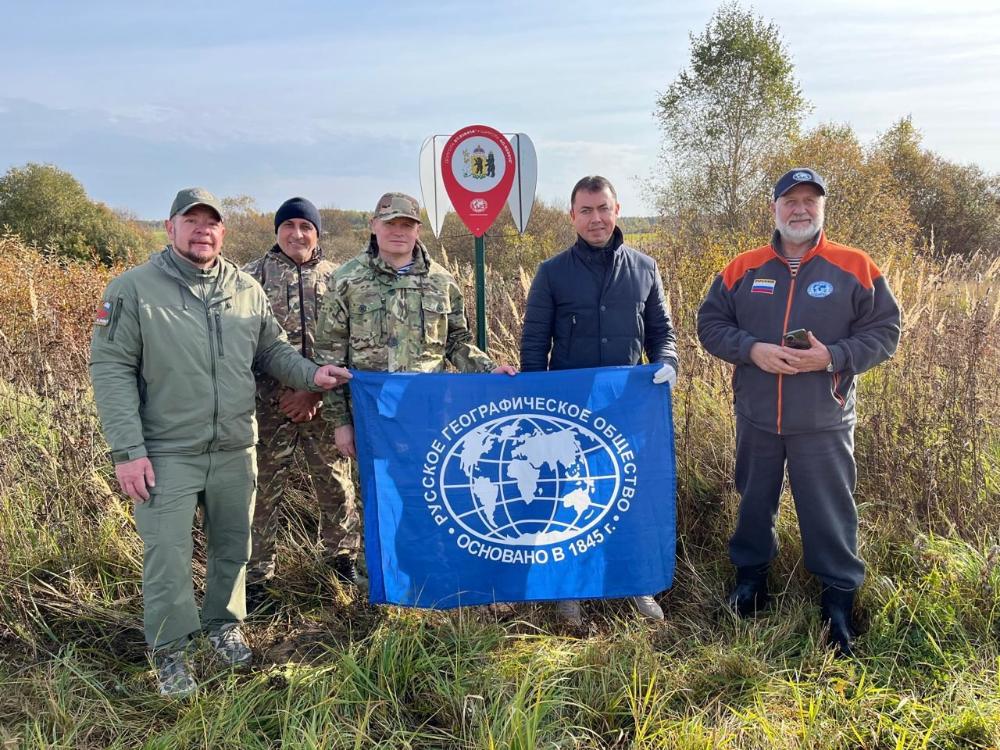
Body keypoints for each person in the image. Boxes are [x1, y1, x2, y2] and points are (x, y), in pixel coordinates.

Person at [89, 188, 351, 698]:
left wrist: (312, 375)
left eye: (210, 222)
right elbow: (111, 369)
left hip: (235, 445)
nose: (202, 230)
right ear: (170, 228)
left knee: (233, 547)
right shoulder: (133, 289)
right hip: (167, 450)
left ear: (222, 232)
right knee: (168, 555)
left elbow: (272, 350)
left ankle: (223, 626)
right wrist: (128, 451)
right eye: (191, 221)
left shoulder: (244, 288)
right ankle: (171, 651)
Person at [696, 167, 901, 656]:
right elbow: (710, 324)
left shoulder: (855, 266)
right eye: (790, 201)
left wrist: (832, 356)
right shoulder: (743, 268)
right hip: (757, 415)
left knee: (830, 510)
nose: (800, 209)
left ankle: (838, 600)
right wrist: (752, 350)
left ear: (822, 208)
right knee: (752, 502)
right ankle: (751, 582)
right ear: (775, 208)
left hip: (824, 418)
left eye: (810, 201)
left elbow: (885, 333)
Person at [519, 175, 679, 626]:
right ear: (572, 216)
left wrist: (668, 362)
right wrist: (535, 408)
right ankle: (569, 590)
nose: (596, 219)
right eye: (586, 211)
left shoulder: (644, 268)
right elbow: (534, 345)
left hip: (627, 411)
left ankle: (635, 583)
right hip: (567, 413)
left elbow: (662, 333)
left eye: (603, 208)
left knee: (627, 496)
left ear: (617, 210)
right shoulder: (552, 273)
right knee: (565, 499)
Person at [313, 190, 515, 471]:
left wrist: (489, 369)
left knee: (430, 489)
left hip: (429, 415)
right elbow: (330, 357)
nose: (398, 231)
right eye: (390, 223)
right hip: (371, 417)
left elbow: (457, 341)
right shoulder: (346, 280)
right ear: (373, 225)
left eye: (407, 225)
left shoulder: (442, 281)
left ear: (417, 230)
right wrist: (341, 422)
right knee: (377, 494)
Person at [242, 197, 361, 599]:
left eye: (305, 226)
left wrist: (313, 393)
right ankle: (257, 577)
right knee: (260, 490)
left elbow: (349, 344)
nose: (297, 234)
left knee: (336, 486)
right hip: (268, 407)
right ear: (277, 231)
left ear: (317, 233)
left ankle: (341, 562)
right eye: (288, 226)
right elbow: (246, 346)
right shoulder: (249, 279)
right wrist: (283, 393)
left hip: (326, 406)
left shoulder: (339, 279)